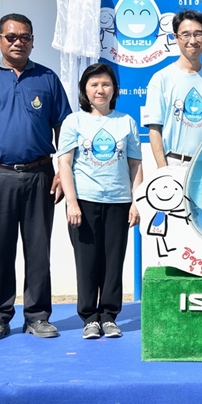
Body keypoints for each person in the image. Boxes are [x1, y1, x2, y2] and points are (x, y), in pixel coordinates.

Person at [0, 13, 72, 341]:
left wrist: (62, 173)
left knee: (38, 250)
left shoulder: (47, 79)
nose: (18, 42)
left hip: (40, 175)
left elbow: (63, 128)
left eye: (25, 37)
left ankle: (37, 316)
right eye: (11, 37)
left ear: (33, 41)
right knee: (0, 251)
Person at [57, 63, 143, 340]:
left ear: (114, 89)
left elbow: (135, 165)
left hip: (118, 201)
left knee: (113, 261)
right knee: (87, 262)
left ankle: (109, 316)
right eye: (94, 84)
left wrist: (135, 200)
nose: (100, 90)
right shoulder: (74, 121)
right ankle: (89, 318)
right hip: (84, 201)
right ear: (85, 89)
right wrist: (71, 201)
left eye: (106, 84)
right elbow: (65, 164)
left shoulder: (126, 121)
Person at [142, 9, 202, 167]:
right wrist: (163, 170)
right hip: (175, 163)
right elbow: (154, 129)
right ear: (175, 37)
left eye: (198, 34)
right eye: (186, 34)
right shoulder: (161, 79)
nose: (193, 40)